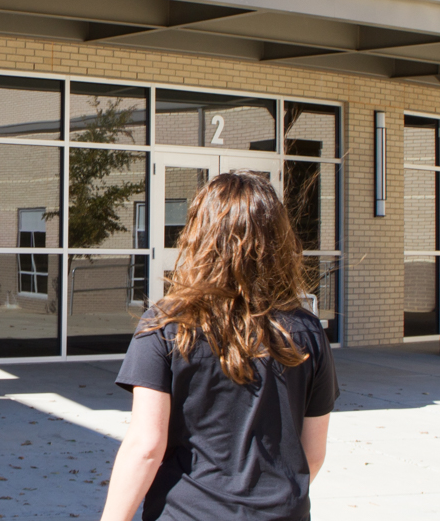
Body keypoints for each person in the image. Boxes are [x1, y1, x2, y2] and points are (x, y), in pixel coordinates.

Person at [100, 171, 338, 521]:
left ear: (198, 235)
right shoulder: (307, 330)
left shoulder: (166, 325)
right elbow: (313, 455)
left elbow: (146, 447)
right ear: (277, 240)